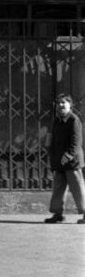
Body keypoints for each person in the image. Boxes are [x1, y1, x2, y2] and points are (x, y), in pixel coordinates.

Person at [44, 93, 85, 224]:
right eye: (59, 103)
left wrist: (67, 156)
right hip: (59, 161)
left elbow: (76, 142)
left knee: (78, 189)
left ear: (70, 105)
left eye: (64, 102)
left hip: (72, 162)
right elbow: (52, 136)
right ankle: (57, 214)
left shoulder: (74, 120)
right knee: (58, 189)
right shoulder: (57, 120)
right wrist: (49, 147)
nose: (61, 105)